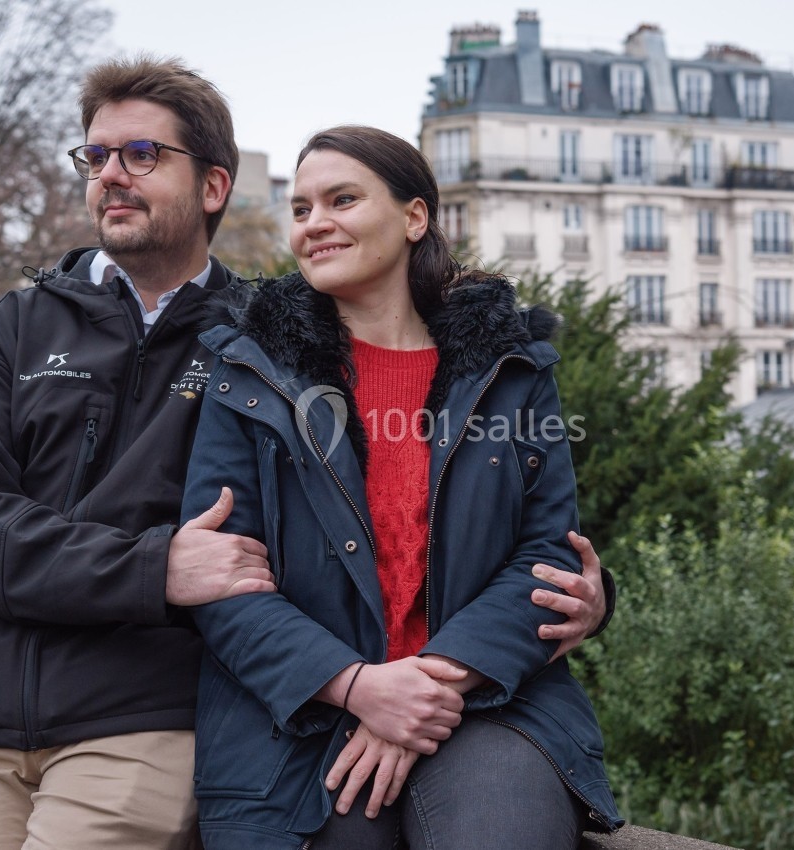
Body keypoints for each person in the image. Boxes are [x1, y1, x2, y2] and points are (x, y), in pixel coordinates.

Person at [0, 59, 610, 850]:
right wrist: (162, 570)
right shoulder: (27, 329)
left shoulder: (263, 342)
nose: (111, 174)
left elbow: (543, 543)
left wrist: (577, 604)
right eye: (96, 156)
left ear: (214, 187)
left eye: (141, 154)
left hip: (146, 715)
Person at [182, 125, 623, 850]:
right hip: (300, 717)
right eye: (300, 209)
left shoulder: (512, 372)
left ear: (414, 217)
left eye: (342, 199)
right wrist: (360, 687)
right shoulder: (248, 374)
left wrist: (429, 683)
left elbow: (548, 554)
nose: (315, 222)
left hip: (487, 701)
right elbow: (224, 583)